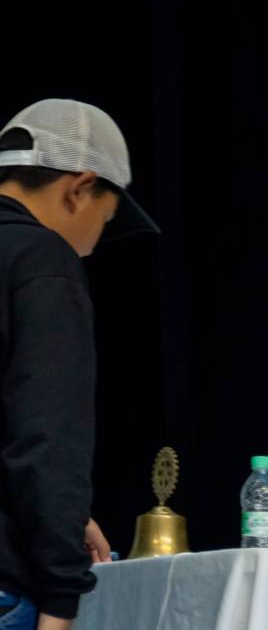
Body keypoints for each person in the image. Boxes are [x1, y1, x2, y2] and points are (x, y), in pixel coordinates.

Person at [0, 99, 159, 630]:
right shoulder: (42, 260)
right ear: (80, 187)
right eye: (104, 221)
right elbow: (48, 436)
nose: (92, 247)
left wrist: (65, 521)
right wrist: (60, 594)